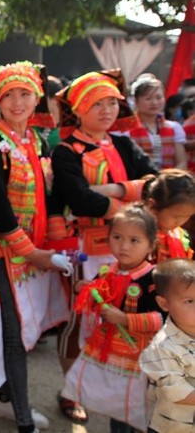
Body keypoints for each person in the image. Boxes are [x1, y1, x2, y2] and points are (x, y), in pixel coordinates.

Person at [51, 70, 157, 424]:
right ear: (79, 109)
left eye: (112, 101)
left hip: (130, 249)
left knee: (126, 316)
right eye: (98, 103)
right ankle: (70, 390)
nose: (108, 109)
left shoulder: (124, 144)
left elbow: (155, 182)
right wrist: (132, 199)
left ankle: (115, 388)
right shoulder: (66, 151)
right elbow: (80, 200)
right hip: (88, 247)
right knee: (80, 318)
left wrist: (113, 191)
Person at [0, 61, 72, 433]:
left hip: (34, 251)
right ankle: (23, 418)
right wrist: (31, 252)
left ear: (36, 100)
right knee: (14, 336)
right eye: (9, 95)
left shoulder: (35, 140)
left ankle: (7, 399)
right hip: (4, 254)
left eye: (25, 94)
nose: (17, 102)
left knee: (27, 330)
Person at [61, 205, 162, 432]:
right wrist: (82, 288)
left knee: (142, 410)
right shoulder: (108, 271)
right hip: (114, 354)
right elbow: (94, 298)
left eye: (134, 240)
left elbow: (161, 318)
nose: (124, 246)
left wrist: (126, 320)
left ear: (151, 245)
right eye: (117, 237)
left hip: (143, 359)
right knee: (118, 408)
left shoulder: (154, 279)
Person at [139, 259, 195, 433]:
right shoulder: (162, 348)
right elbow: (178, 393)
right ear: (164, 303)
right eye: (190, 301)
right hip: (172, 427)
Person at [126, 75, 187, 170]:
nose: (154, 102)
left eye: (159, 98)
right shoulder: (125, 129)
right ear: (136, 101)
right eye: (148, 98)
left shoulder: (174, 128)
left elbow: (182, 162)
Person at [142, 169, 195, 262]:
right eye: (176, 217)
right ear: (152, 206)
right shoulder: (138, 235)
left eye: (187, 216)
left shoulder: (180, 236)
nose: (181, 222)